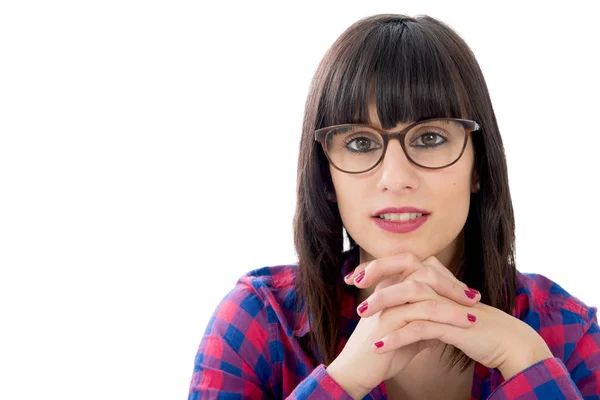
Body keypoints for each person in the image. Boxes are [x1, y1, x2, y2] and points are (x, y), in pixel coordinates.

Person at [187, 13, 600, 399]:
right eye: (360, 143)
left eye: (430, 138)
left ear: (480, 165)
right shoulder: (257, 321)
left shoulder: (568, 333)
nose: (396, 178)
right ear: (326, 177)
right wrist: (343, 380)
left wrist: (526, 361)